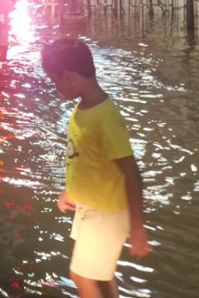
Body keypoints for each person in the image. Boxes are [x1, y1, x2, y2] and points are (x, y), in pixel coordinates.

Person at [40, 38, 150, 298]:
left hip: (107, 213)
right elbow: (82, 158)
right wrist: (71, 191)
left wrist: (137, 227)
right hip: (89, 208)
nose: (56, 88)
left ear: (69, 76)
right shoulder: (83, 109)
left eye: (56, 81)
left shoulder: (106, 116)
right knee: (100, 276)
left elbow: (131, 173)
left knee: (83, 276)